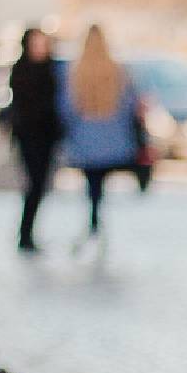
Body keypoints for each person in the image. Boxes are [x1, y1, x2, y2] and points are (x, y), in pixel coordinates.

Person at [59, 25, 143, 249]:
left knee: (92, 181)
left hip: (86, 136)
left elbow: (67, 106)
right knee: (100, 182)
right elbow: (129, 103)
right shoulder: (117, 70)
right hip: (110, 136)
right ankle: (96, 217)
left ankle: (94, 217)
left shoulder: (75, 70)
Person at [8, 28, 62, 251]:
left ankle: (28, 233)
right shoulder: (21, 69)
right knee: (34, 185)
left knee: (40, 185)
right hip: (28, 136)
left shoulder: (53, 68)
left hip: (48, 136)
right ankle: (25, 233)